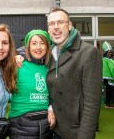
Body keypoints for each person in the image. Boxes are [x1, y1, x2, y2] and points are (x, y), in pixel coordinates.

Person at [16, 8, 102, 139]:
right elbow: (29, 49)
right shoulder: (49, 53)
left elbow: (92, 103)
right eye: (51, 24)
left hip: (76, 132)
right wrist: (16, 55)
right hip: (54, 130)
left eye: (60, 22)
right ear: (48, 29)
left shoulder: (88, 52)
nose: (56, 27)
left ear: (69, 25)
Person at [8, 30, 55, 139]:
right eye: (34, 43)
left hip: (46, 125)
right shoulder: (18, 64)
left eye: (42, 43)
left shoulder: (50, 67)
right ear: (28, 46)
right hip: (21, 125)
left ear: (48, 47)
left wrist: (51, 108)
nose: (38, 47)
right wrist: (13, 59)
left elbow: (56, 93)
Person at [102, 41, 114, 108]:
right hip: (110, 78)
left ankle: (107, 104)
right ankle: (107, 103)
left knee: (109, 91)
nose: (110, 53)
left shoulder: (106, 59)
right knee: (112, 90)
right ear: (106, 53)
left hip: (107, 78)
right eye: (109, 52)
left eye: (111, 52)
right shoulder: (106, 60)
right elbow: (111, 69)